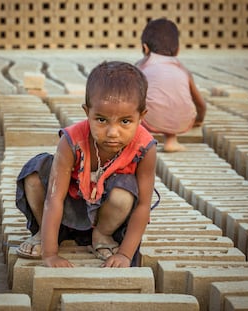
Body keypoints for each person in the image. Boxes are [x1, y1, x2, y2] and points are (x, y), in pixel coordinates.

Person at [15, 61, 157, 268]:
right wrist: (50, 254)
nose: (112, 132)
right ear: (87, 112)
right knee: (35, 173)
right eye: (101, 120)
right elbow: (54, 198)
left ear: (141, 117)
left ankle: (102, 235)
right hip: (67, 207)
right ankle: (43, 234)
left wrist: (125, 255)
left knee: (125, 192)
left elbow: (143, 206)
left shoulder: (145, 148)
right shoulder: (72, 142)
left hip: (106, 213)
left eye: (125, 121)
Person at [136, 18, 206, 152]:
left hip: (150, 121)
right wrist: (198, 120)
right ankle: (171, 141)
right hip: (183, 122)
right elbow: (201, 105)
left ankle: (140, 140)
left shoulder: (141, 67)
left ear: (145, 48)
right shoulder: (183, 70)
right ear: (178, 50)